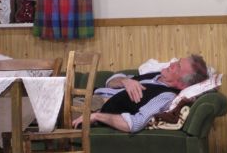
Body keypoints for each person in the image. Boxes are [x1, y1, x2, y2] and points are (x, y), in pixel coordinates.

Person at [72, 54, 208, 133]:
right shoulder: (155, 75)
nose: (172, 64)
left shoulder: (167, 95)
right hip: (86, 96)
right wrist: (125, 81)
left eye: (177, 67)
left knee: (60, 107)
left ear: (183, 84)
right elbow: (110, 82)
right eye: (177, 62)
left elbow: (136, 123)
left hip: (95, 107)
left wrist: (96, 116)